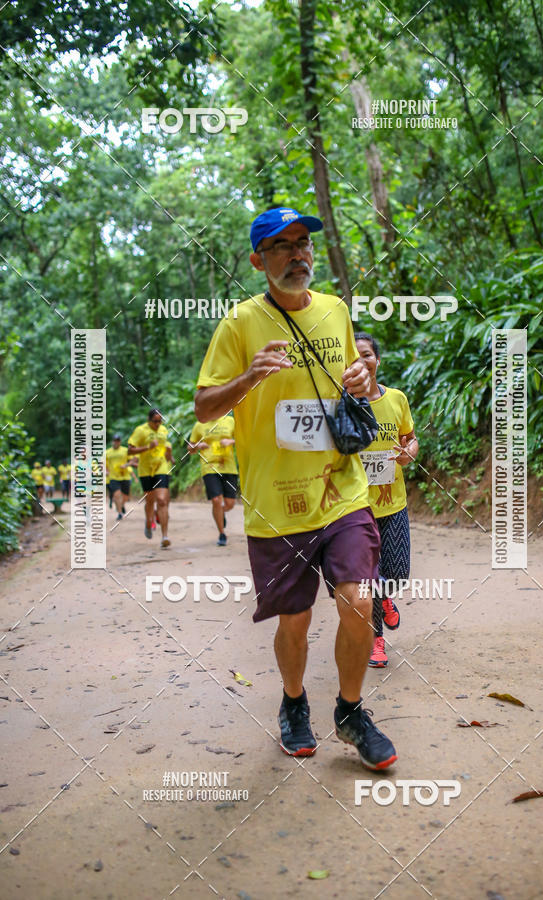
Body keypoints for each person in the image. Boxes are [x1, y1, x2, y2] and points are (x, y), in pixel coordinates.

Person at [194, 206, 397, 771]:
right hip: (276, 502)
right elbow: (205, 405)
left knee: (358, 599)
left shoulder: (335, 310)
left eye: (303, 242)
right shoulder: (239, 324)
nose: (297, 254)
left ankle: (351, 711)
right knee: (295, 619)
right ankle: (293, 701)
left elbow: (356, 381)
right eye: (281, 246)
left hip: (342, 488)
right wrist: (248, 378)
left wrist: (364, 379)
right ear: (258, 261)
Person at [354, 333, 419, 668]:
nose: (361, 361)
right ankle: (376, 641)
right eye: (354, 356)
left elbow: (410, 438)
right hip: (355, 509)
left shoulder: (396, 399)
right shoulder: (342, 405)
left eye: (367, 354)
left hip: (393, 503)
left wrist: (409, 453)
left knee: (396, 572)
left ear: (377, 360)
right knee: (369, 577)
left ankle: (386, 598)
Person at [188, 414, 238, 546]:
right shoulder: (200, 424)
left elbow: (243, 440)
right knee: (216, 500)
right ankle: (222, 533)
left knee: (230, 504)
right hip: (209, 467)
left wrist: (231, 442)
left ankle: (220, 513)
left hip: (228, 467)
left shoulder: (230, 421)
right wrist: (198, 445)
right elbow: (190, 449)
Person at [128, 409, 173, 548]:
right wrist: (148, 447)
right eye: (155, 421)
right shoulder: (140, 431)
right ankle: (148, 522)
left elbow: (166, 451)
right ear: (149, 420)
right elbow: (130, 450)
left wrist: (169, 454)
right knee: (149, 501)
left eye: (160, 421)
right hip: (146, 470)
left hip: (161, 467)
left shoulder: (163, 430)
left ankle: (165, 536)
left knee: (162, 500)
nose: (158, 424)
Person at [105, 435, 130, 520]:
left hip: (125, 476)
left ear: (120, 442)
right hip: (113, 477)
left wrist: (126, 465)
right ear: (112, 441)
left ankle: (121, 505)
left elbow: (132, 460)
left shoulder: (125, 450)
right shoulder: (107, 452)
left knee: (126, 497)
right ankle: (119, 513)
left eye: (118, 441)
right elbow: (103, 464)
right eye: (115, 440)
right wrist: (106, 471)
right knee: (116, 495)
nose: (116, 442)